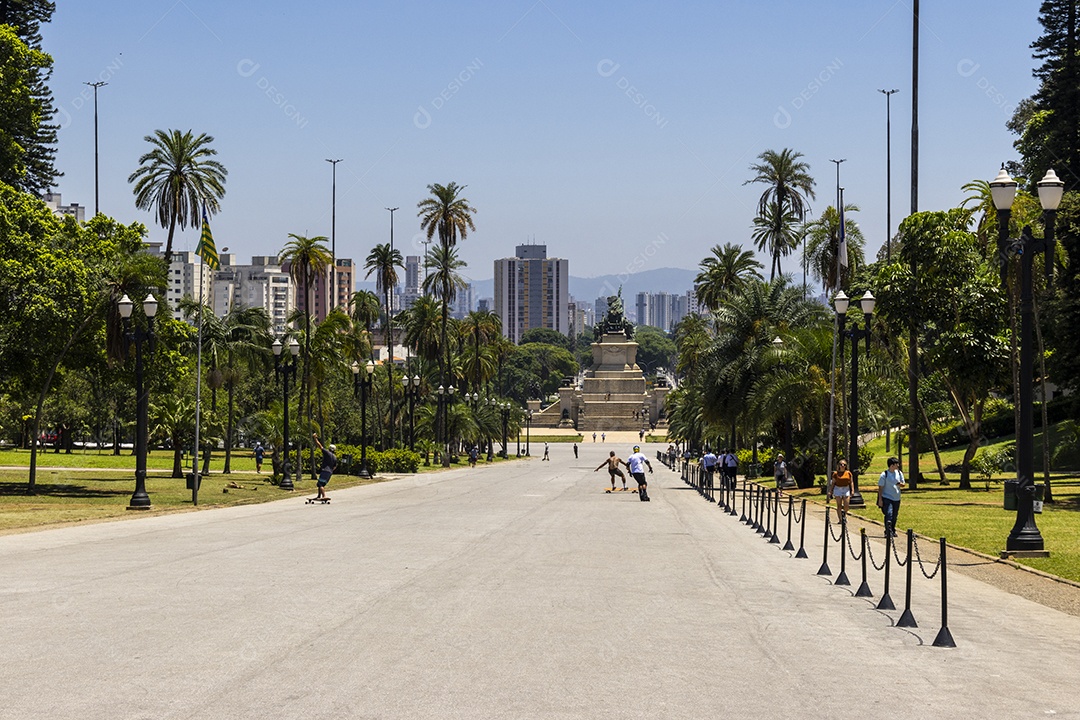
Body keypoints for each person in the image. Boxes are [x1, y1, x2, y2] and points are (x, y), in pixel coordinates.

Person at [877, 456, 906, 538]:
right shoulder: (884, 475)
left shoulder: (899, 473)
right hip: (887, 497)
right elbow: (880, 487)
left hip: (896, 498)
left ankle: (892, 529)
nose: (898, 465)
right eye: (896, 464)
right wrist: (880, 499)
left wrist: (900, 484)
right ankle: (887, 531)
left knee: (894, 515)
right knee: (889, 514)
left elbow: (903, 484)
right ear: (891, 465)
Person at [312, 433, 337, 500]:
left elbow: (320, 446)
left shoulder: (327, 453)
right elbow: (335, 467)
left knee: (320, 484)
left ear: (329, 449)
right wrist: (330, 471)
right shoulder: (335, 457)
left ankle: (324, 496)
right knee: (320, 483)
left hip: (325, 470)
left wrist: (315, 438)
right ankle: (319, 496)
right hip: (329, 472)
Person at [828, 459, 853, 524]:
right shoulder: (835, 474)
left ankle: (844, 516)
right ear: (839, 466)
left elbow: (851, 482)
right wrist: (831, 491)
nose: (842, 466)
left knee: (846, 505)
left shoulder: (848, 473)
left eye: (844, 465)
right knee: (839, 505)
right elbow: (833, 483)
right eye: (841, 464)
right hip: (838, 488)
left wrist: (852, 490)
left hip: (846, 488)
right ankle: (840, 519)